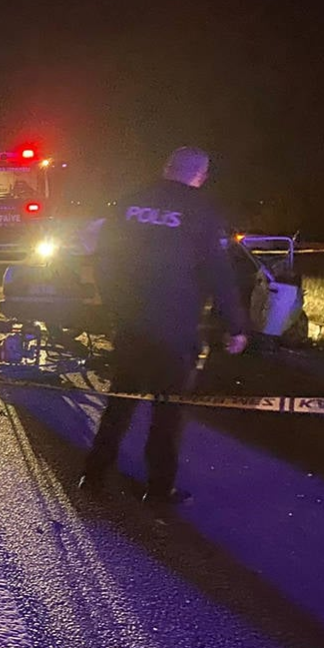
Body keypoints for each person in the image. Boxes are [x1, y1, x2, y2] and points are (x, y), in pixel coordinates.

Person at [79, 146, 246, 506]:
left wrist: (117, 308)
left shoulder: (129, 204)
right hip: (175, 329)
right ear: (200, 175)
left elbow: (104, 261)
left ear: (165, 167)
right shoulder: (201, 211)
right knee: (167, 413)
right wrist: (236, 325)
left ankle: (92, 476)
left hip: (131, 326)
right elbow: (219, 272)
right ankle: (157, 490)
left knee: (119, 404)